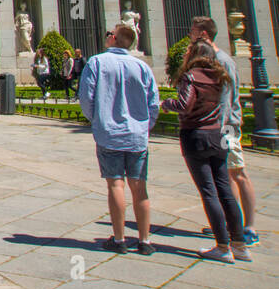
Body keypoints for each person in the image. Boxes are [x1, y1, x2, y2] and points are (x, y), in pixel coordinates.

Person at [163, 40, 250, 263]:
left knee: (208, 192)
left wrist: (166, 103)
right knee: (225, 190)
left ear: (194, 54)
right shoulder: (220, 76)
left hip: (197, 137)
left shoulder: (191, 76)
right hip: (218, 136)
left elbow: (184, 104)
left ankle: (222, 246)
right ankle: (239, 244)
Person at [78, 25, 160, 255]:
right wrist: (144, 126)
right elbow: (154, 103)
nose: (106, 36)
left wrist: (98, 120)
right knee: (139, 187)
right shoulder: (142, 66)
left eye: (108, 33)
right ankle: (145, 241)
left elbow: (86, 97)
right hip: (137, 136)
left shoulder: (97, 63)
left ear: (114, 38)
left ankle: (119, 238)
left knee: (115, 184)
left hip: (109, 134)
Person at [189, 16, 259, 246]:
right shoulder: (214, 59)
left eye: (193, 32)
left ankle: (249, 228)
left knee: (238, 173)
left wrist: (218, 128)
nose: (190, 35)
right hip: (220, 127)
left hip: (226, 127)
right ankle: (231, 224)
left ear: (203, 35)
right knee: (226, 176)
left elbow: (226, 100)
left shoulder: (222, 60)